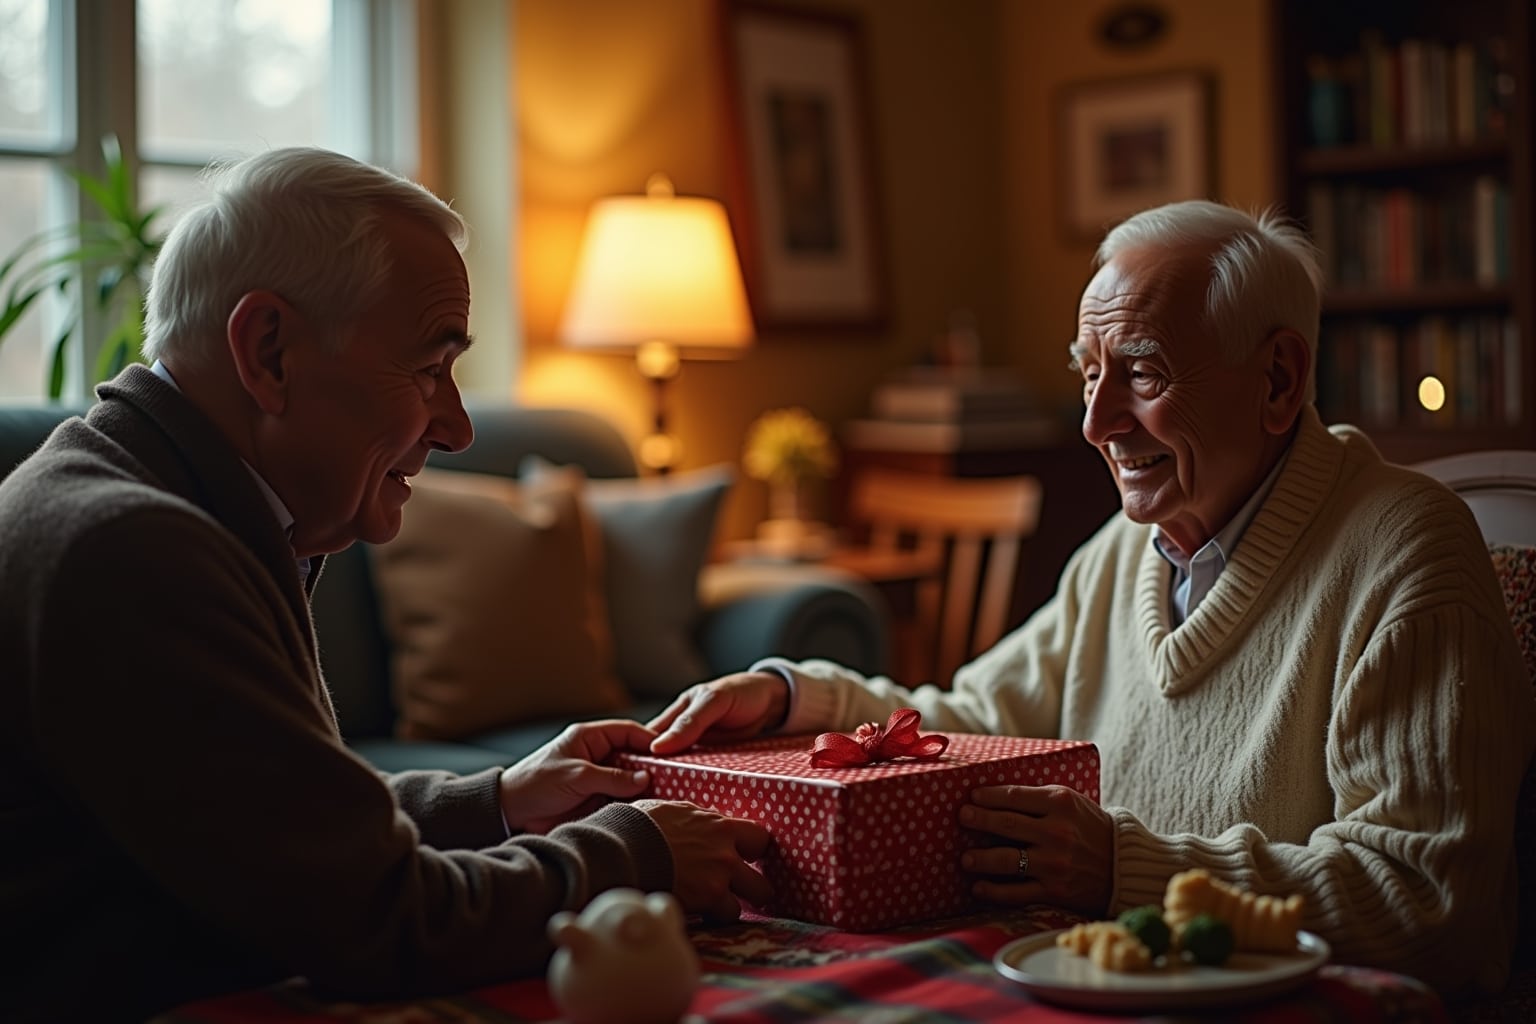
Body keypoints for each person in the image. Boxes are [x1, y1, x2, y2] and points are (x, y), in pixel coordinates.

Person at [647, 199, 1535, 997]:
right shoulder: (1122, 551)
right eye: (1087, 372)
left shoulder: (1410, 555)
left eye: (1142, 375)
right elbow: (969, 723)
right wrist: (796, 701)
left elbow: (1426, 902)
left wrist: (1124, 868)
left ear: (1278, 382)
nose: (1095, 423)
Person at [0, 147, 771, 1022]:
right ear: (270, 351)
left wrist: (499, 802)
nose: (457, 425)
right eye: (430, 367)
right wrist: (633, 854)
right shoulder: (132, 546)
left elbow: (264, 826)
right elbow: (378, 922)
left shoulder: (148, 497)